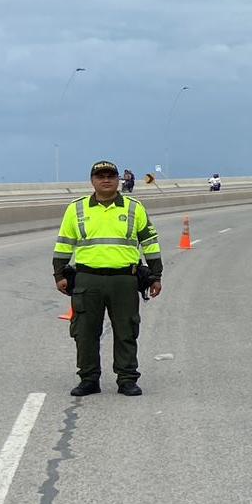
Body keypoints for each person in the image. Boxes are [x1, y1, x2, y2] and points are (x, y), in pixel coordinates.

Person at [53, 161, 163, 397]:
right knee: (84, 332)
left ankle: (127, 379)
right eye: (100, 176)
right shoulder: (76, 209)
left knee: (126, 330)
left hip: (124, 280)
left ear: (118, 181)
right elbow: (64, 244)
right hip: (87, 280)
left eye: (111, 176)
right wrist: (60, 274)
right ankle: (89, 379)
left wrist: (156, 275)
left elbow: (150, 243)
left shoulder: (135, 208)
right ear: (92, 180)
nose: (106, 180)